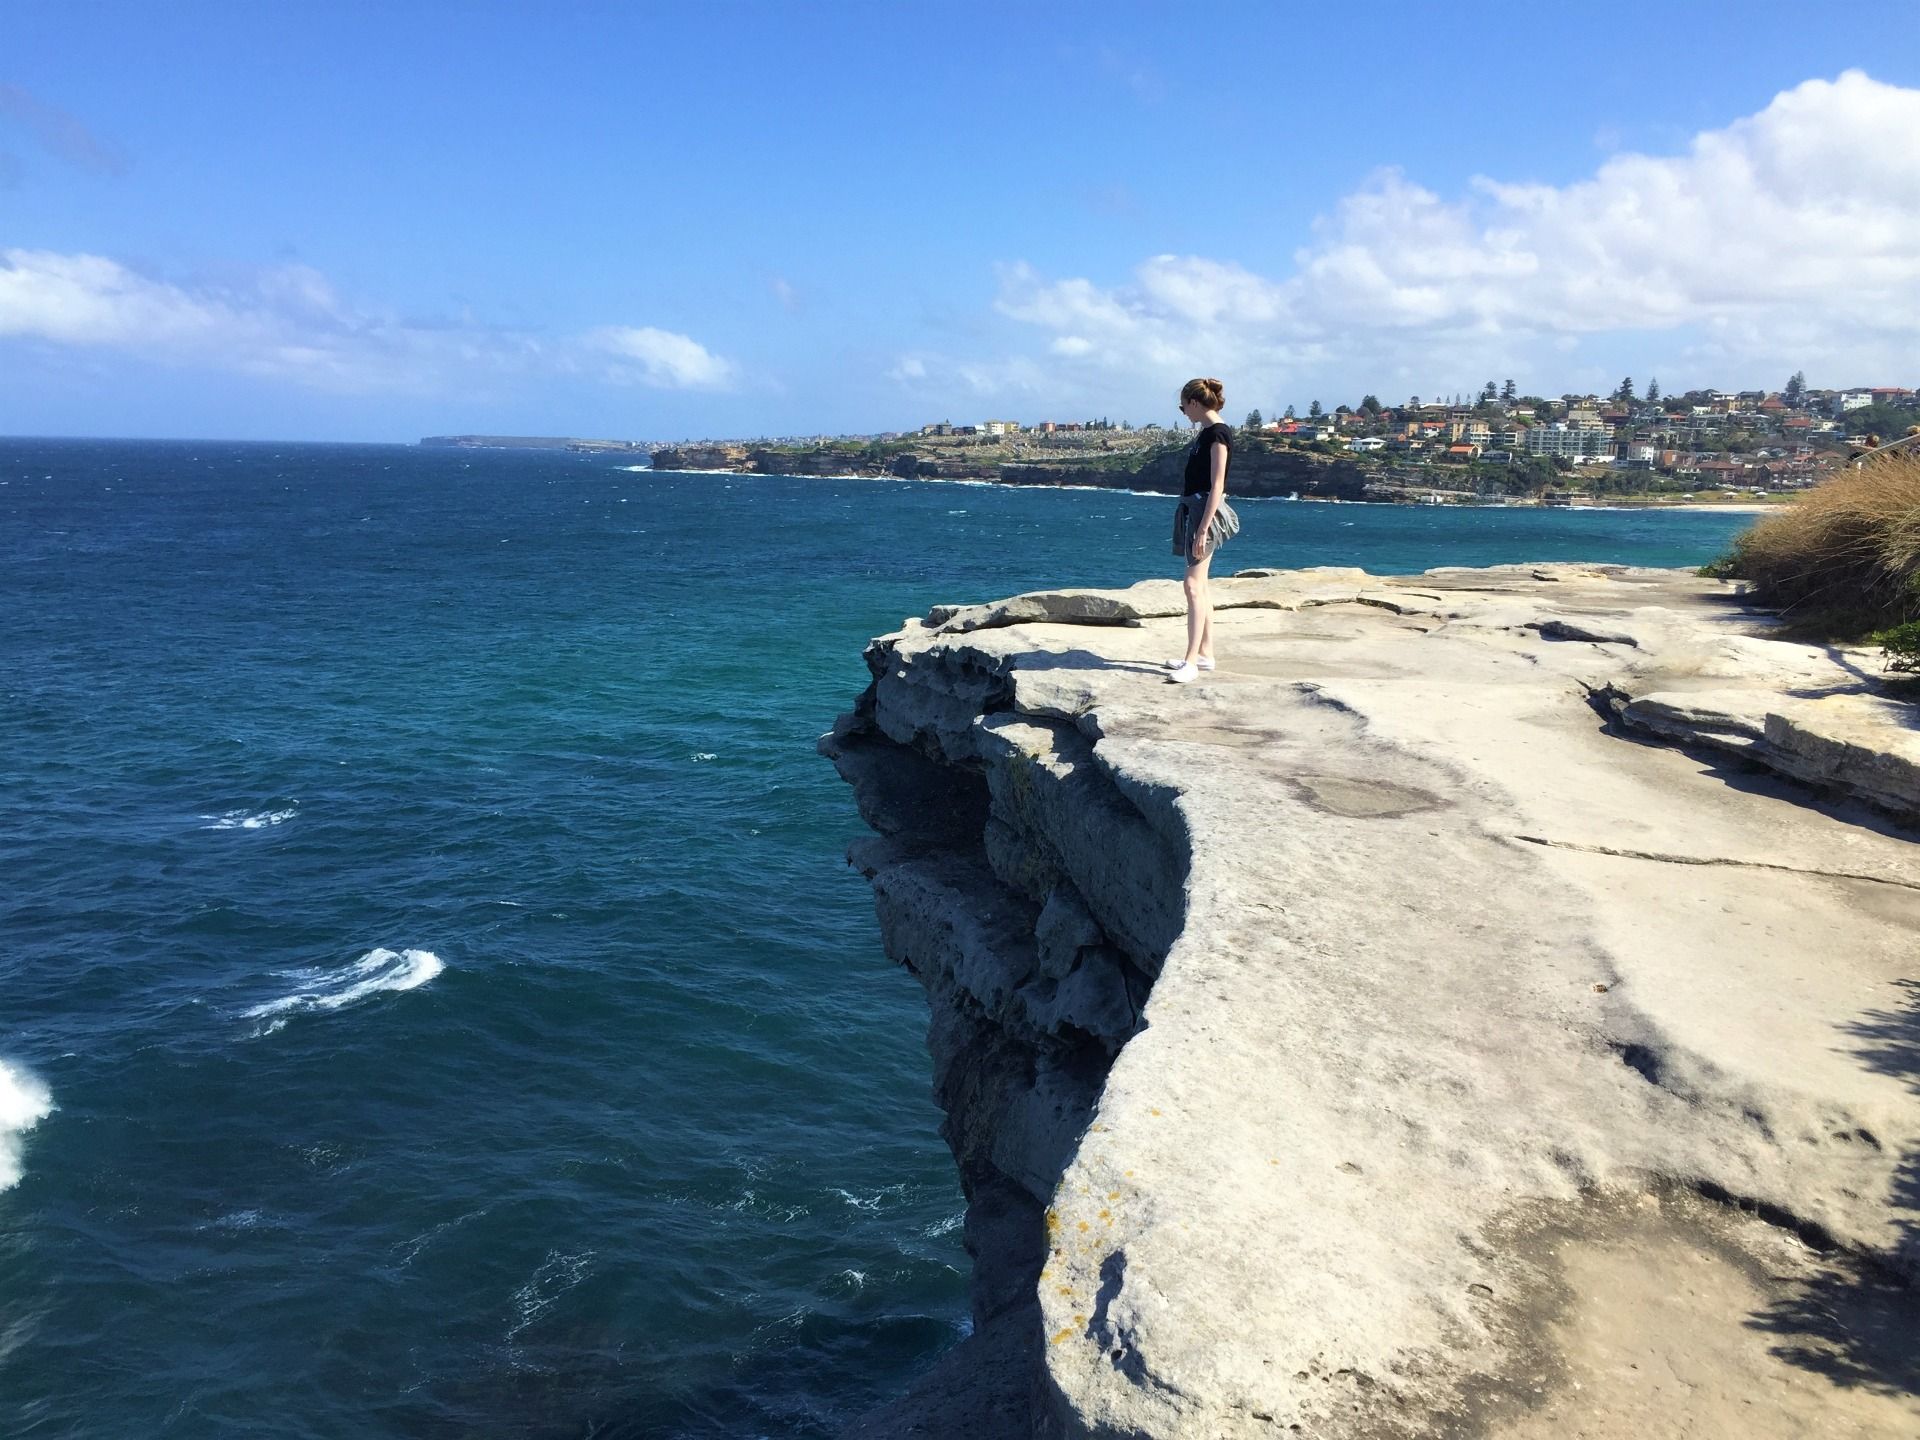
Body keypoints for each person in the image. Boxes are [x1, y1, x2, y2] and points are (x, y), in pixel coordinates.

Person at [1166, 378, 1239, 683]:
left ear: (1194, 403)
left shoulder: (1218, 434)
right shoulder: (1207, 432)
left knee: (1192, 586)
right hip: (1195, 509)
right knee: (1202, 586)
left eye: (1183, 405)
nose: (1183, 411)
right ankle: (1206, 654)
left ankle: (1191, 662)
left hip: (1203, 513)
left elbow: (1217, 485)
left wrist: (1203, 529)